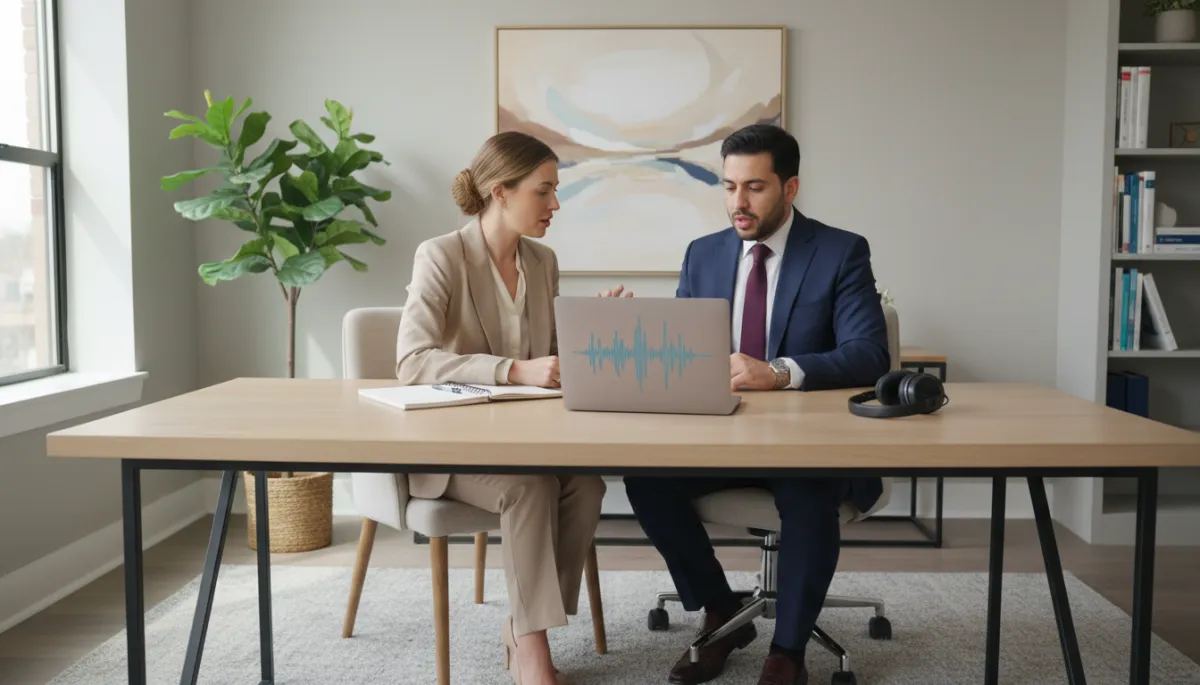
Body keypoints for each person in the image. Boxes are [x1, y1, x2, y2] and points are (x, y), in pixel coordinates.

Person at [621, 124, 890, 685]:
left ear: (790, 187)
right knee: (644, 478)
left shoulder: (840, 251)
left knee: (809, 492)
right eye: (728, 187)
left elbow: (869, 354)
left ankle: (788, 651)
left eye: (755, 187)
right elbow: (683, 353)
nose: (737, 203)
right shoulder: (702, 255)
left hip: (807, 445)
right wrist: (631, 336)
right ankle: (722, 610)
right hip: (721, 440)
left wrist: (780, 372)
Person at [395, 131, 628, 685]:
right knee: (531, 488)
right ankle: (532, 645)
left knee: (587, 485)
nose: (555, 204)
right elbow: (412, 361)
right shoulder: (441, 256)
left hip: (527, 444)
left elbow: (553, 362)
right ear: (500, 192)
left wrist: (593, 330)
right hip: (452, 452)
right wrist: (511, 370)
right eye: (543, 190)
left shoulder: (542, 261)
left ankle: (523, 623)